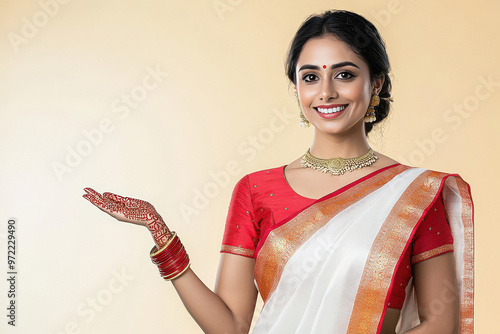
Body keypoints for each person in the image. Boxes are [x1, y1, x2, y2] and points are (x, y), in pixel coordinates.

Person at [83, 10, 474, 334]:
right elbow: (231, 326)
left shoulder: (414, 193)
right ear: (297, 89)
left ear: (376, 84)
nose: (326, 92)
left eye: (345, 74)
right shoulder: (256, 190)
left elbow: (442, 324)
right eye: (310, 77)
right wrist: (159, 231)